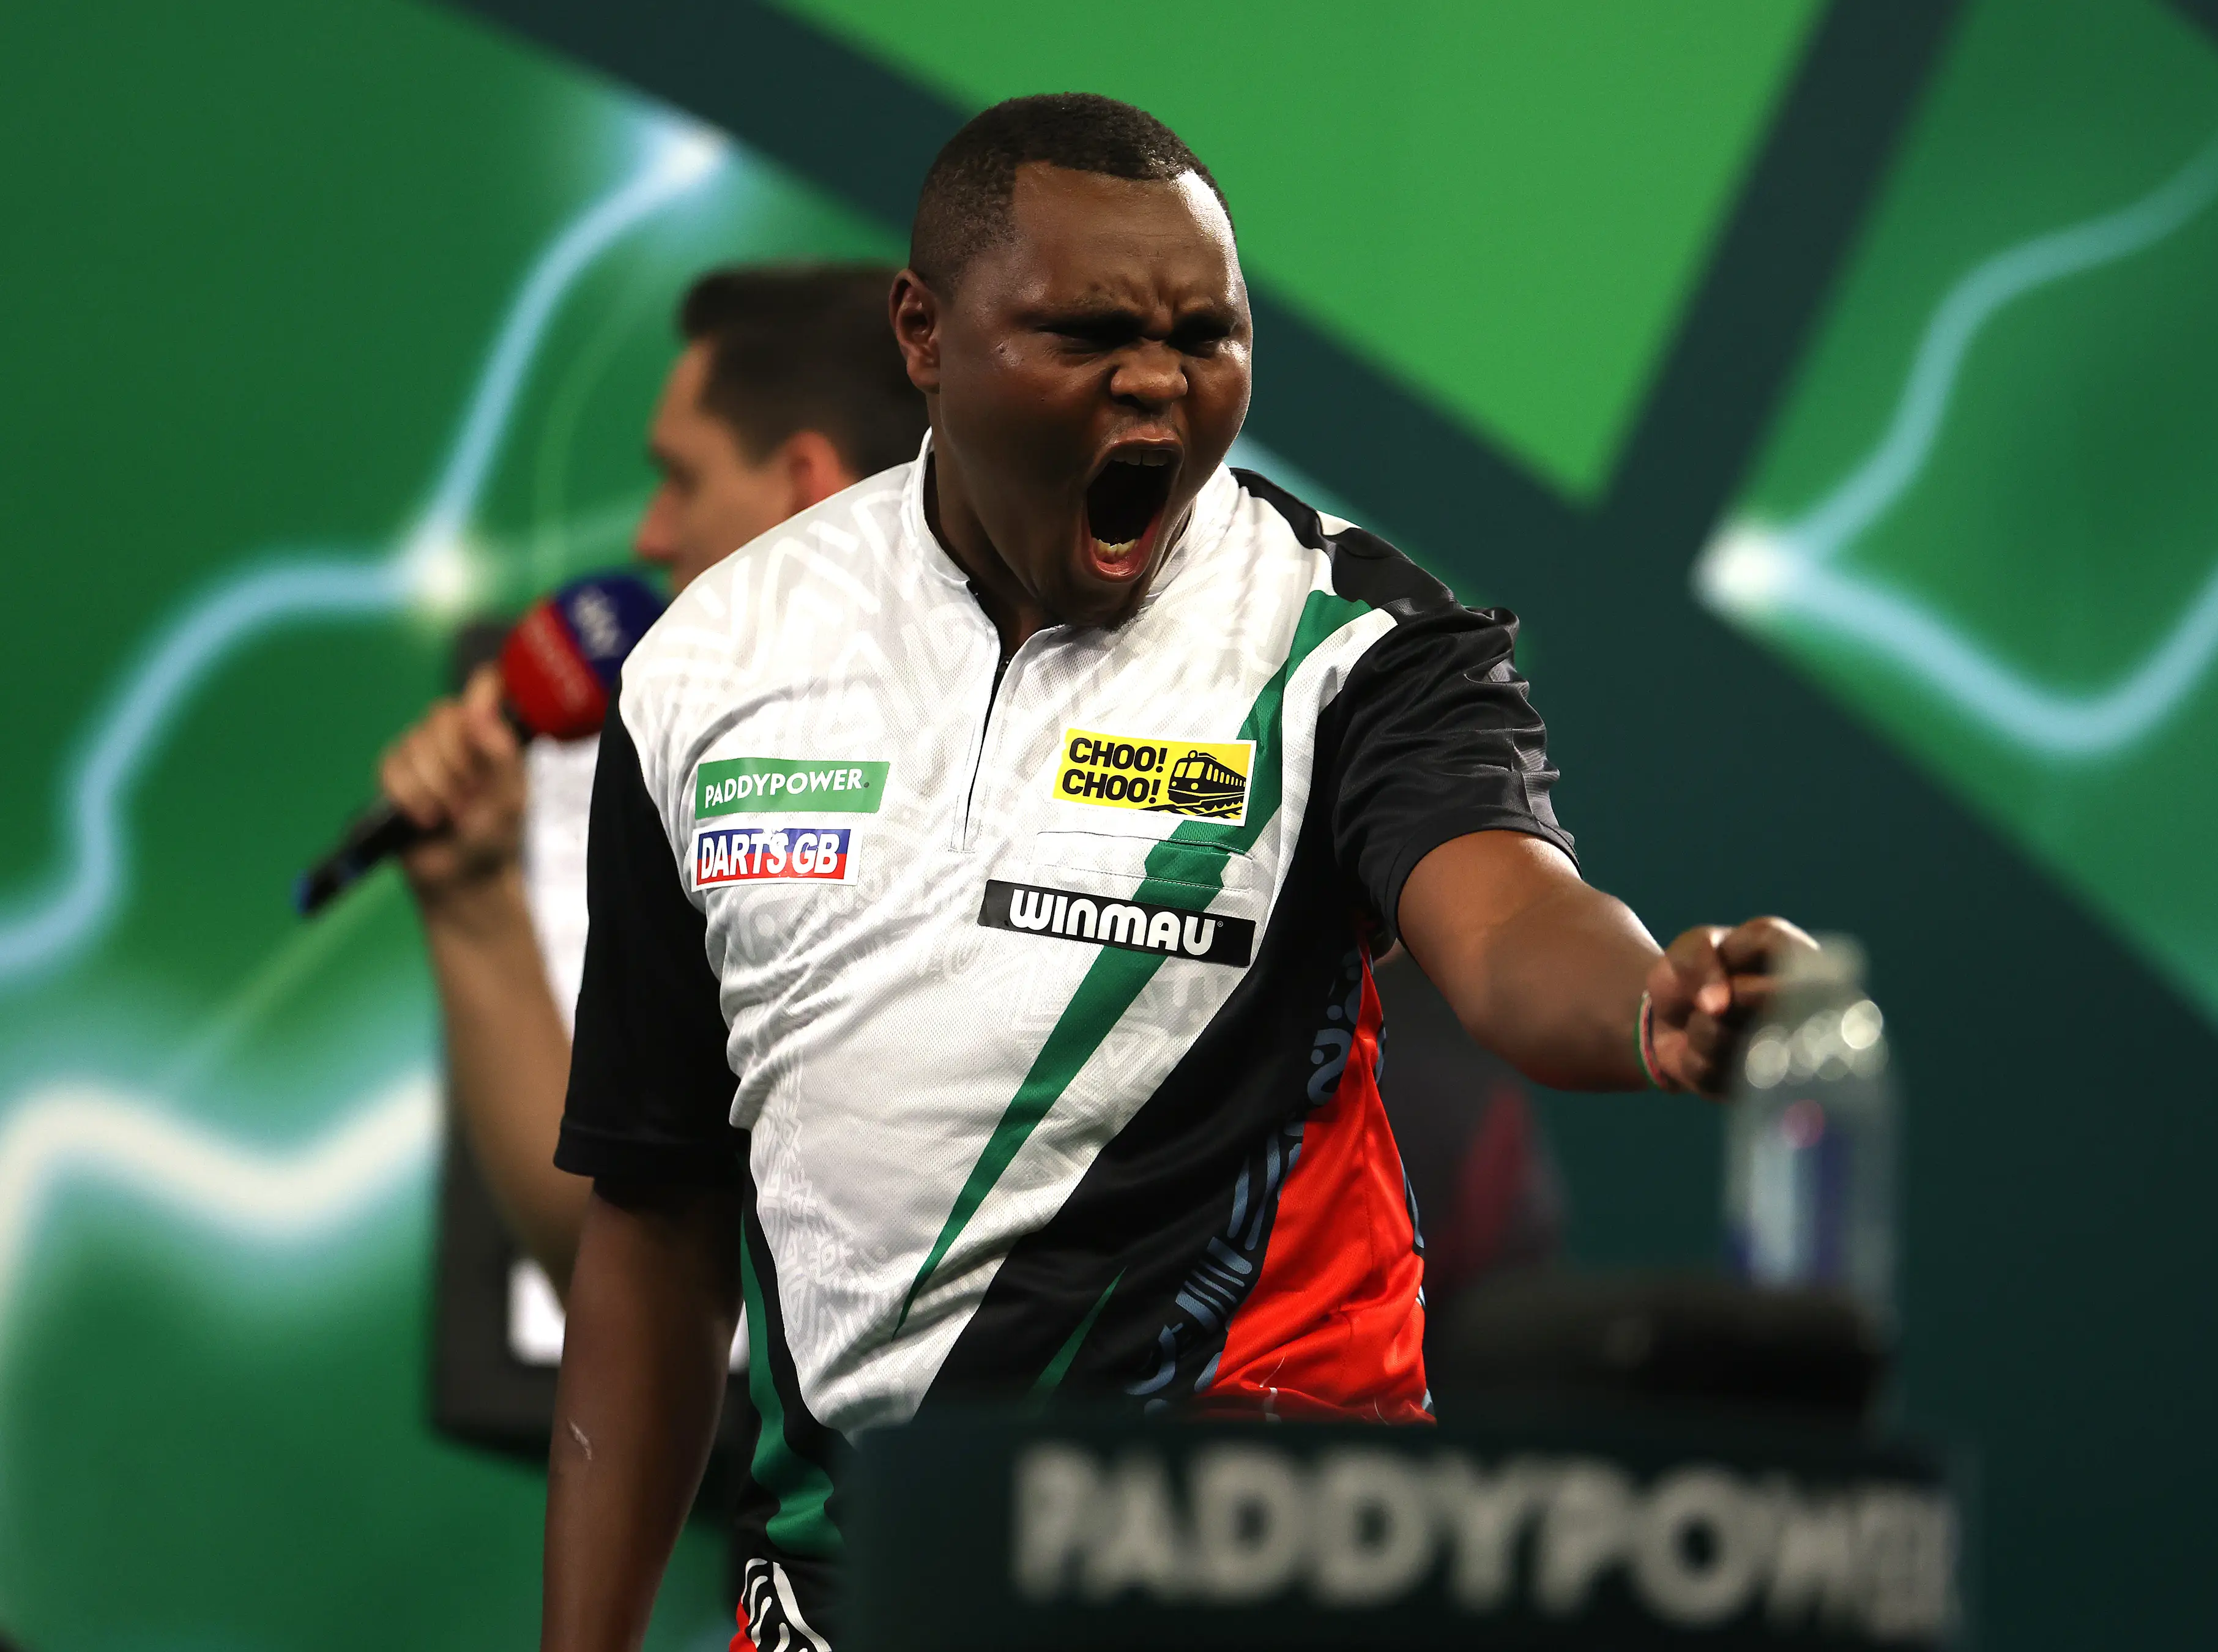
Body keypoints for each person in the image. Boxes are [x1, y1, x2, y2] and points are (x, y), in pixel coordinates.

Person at [543, 95, 1812, 1652]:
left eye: (1206, 335)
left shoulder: (1350, 643)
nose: (1158, 381)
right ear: (924, 336)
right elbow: (653, 1218)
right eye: (1087, 332)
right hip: (849, 1596)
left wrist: (1650, 1004)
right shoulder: (710, 664)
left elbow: (1511, 919)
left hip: (1252, 1575)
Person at [379, 263, 928, 1300]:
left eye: (683, 477)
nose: (650, 536)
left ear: (804, 486)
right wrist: (473, 902)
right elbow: (639, 1264)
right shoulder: (727, 784)